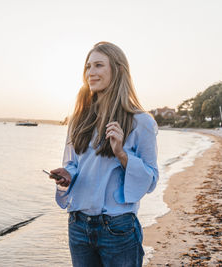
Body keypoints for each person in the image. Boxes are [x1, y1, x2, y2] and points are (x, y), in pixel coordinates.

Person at [49, 41, 159, 267]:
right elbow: (73, 164)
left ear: (117, 70)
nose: (90, 72)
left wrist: (122, 154)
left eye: (98, 65)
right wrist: (67, 175)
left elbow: (151, 179)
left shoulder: (141, 122)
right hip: (78, 225)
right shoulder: (79, 119)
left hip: (117, 227)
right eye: (88, 66)